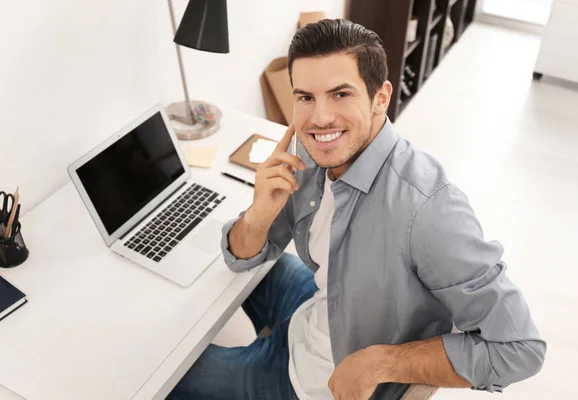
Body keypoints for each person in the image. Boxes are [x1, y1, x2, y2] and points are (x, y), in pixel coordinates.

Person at [169, 19, 546, 400]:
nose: (319, 119)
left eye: (340, 94)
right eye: (306, 98)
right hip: (320, 309)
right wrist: (259, 216)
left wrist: (382, 362)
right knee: (230, 274)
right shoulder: (310, 152)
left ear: (380, 97)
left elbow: (521, 349)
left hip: (316, 380)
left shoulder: (429, 210)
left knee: (172, 378)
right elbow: (242, 256)